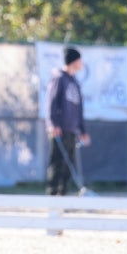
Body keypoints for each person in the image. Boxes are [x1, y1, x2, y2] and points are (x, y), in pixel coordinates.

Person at [45, 46, 92, 195]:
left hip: (72, 130)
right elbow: (52, 102)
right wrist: (53, 124)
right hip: (60, 129)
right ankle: (52, 196)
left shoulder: (75, 82)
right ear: (73, 60)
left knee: (69, 165)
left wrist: (83, 131)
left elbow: (79, 110)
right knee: (57, 162)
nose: (81, 63)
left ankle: (63, 195)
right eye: (79, 59)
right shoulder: (59, 78)